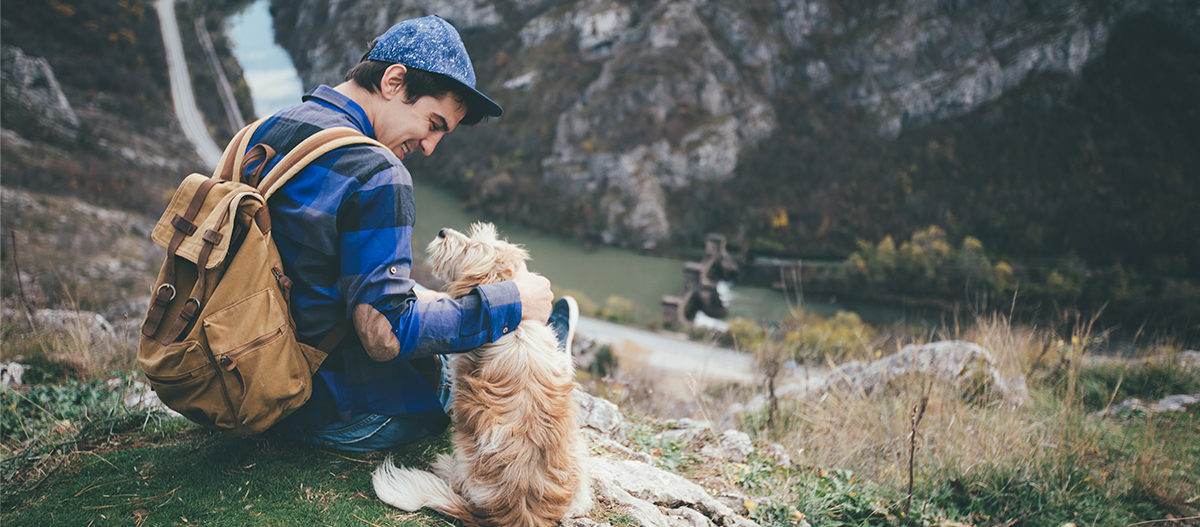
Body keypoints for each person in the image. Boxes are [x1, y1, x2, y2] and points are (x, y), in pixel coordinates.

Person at [241, 15, 577, 451]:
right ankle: (549, 358)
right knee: (488, 382)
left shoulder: (268, 130)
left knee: (438, 312)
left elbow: (314, 273)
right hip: (333, 410)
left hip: (249, 384)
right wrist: (510, 302)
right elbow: (385, 336)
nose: (429, 146)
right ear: (394, 81)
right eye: (433, 123)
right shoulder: (377, 171)